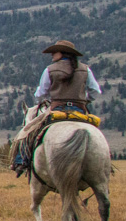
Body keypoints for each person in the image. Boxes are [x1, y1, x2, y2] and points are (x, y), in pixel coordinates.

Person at [12, 40, 101, 173]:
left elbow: (40, 94)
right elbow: (95, 91)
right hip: (80, 110)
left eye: (55, 51)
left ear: (62, 53)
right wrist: (85, 100)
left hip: (57, 110)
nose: (52, 55)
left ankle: (21, 161)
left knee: (28, 131)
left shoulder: (50, 70)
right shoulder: (85, 69)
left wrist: (45, 99)